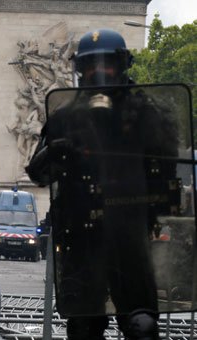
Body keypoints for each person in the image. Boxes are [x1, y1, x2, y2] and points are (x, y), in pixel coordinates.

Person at [26, 29, 179, 340]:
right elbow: (37, 173)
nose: (99, 73)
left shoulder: (148, 114)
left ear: (121, 66)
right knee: (83, 327)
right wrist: (58, 150)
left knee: (142, 326)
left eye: (106, 64)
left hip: (131, 236)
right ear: (80, 71)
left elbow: (167, 169)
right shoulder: (66, 117)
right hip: (82, 239)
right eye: (91, 66)